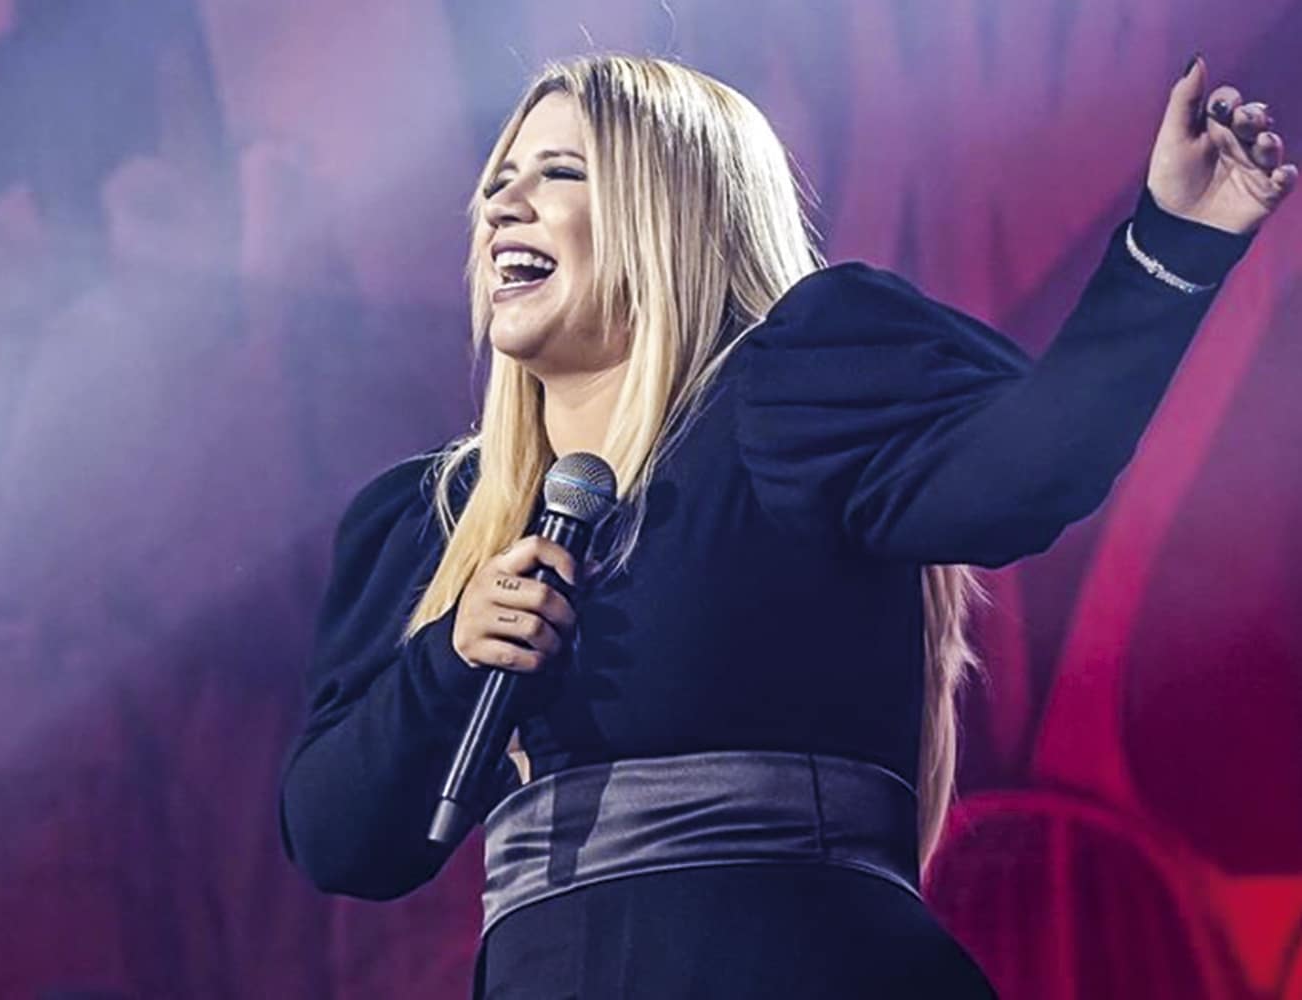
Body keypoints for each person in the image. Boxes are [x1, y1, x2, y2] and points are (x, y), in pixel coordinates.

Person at [278, 53, 1293, 998]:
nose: (503, 202)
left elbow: (1033, 472)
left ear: (671, 207)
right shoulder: (435, 521)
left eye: (561, 173)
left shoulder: (788, 388)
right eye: (499, 180)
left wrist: (1171, 248)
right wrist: (450, 657)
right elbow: (340, 841)